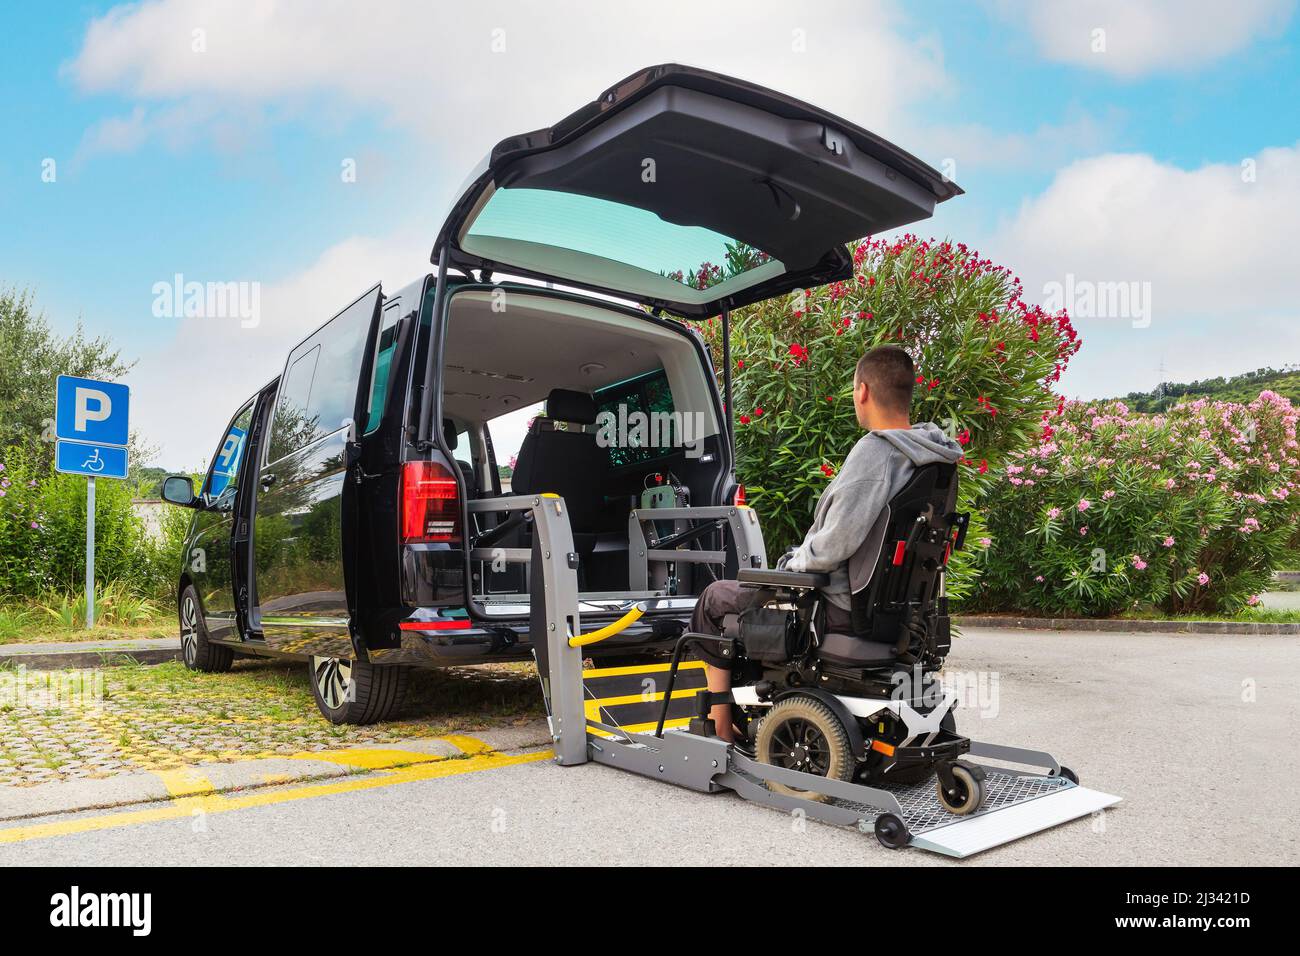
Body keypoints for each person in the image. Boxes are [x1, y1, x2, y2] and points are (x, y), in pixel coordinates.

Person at [690, 344, 963, 741]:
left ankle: (719, 728)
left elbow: (834, 544)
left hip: (838, 608)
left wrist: (788, 569)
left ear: (863, 391)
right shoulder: (935, 459)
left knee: (715, 600)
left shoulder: (877, 452)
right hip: (898, 615)